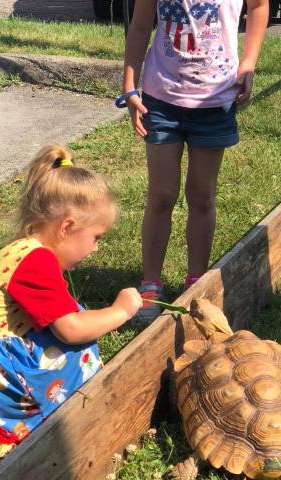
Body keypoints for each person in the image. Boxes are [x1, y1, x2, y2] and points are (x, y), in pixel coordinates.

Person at [0, 144, 142, 458]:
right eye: (96, 237)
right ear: (67, 227)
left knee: (72, 315)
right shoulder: (38, 262)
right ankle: (42, 410)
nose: (96, 248)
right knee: (77, 342)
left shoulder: (23, 251)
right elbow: (71, 329)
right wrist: (121, 310)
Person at [117, 0, 268, 323]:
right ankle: (150, 285)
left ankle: (196, 284)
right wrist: (129, 87)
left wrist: (249, 62)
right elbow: (141, 24)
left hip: (216, 102)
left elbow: (259, 6)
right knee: (161, 195)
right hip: (161, 101)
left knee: (201, 195)